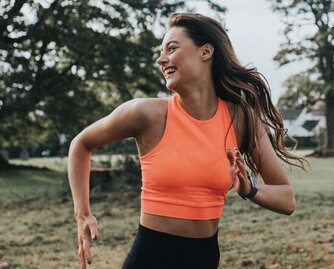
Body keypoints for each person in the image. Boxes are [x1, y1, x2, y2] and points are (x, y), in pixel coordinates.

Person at [68, 13, 306, 269]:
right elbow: (81, 144)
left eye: (172, 48)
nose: (161, 59)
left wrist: (250, 189)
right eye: (161, 52)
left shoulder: (241, 118)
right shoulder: (146, 114)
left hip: (204, 259)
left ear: (205, 52)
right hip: (150, 258)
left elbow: (286, 199)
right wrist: (82, 214)